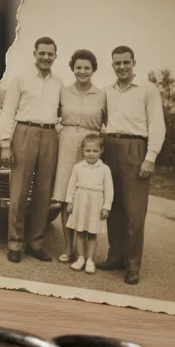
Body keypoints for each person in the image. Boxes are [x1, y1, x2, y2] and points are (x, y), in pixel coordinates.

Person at [97, 46, 166, 286]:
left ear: (133, 63)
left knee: (135, 213)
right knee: (114, 206)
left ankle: (133, 265)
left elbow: (157, 124)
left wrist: (150, 157)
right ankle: (115, 257)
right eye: (117, 63)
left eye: (126, 62)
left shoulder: (148, 89)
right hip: (110, 147)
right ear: (112, 65)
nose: (122, 67)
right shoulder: (107, 91)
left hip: (135, 148)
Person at [0, 37, 62, 264]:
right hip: (24, 132)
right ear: (35, 53)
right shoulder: (20, 79)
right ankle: (15, 244)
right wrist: (5, 143)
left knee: (43, 193)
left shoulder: (59, 83)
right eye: (42, 53)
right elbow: (8, 111)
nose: (46, 57)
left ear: (55, 56)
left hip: (50, 135)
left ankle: (36, 243)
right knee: (19, 191)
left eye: (50, 54)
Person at [52, 49, 106, 263]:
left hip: (90, 147)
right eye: (78, 67)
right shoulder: (63, 92)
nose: (82, 71)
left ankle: (83, 250)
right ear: (72, 69)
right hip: (66, 145)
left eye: (87, 68)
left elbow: (109, 122)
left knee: (86, 195)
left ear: (93, 70)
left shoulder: (102, 95)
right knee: (66, 197)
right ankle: (68, 248)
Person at [65, 133, 114, 274]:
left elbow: (109, 190)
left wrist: (106, 207)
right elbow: (71, 185)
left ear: (101, 151)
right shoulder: (78, 167)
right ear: (82, 150)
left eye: (95, 151)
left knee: (92, 232)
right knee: (80, 230)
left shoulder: (105, 169)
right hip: (80, 201)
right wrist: (70, 201)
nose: (91, 154)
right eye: (88, 150)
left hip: (95, 204)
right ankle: (80, 258)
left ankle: (90, 260)